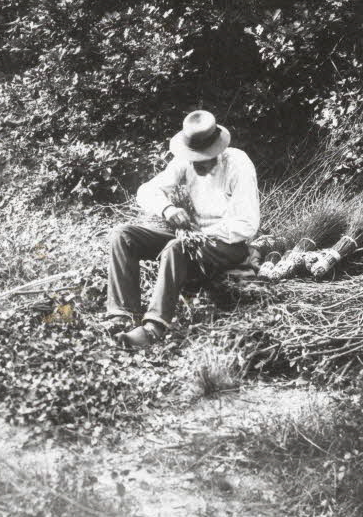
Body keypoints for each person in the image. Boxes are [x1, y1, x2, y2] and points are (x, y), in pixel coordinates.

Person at [106, 110, 260, 349]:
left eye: (203, 158)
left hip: (228, 243)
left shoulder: (238, 164)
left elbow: (247, 224)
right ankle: (122, 317)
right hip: (194, 237)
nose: (196, 163)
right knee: (123, 235)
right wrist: (168, 209)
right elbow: (146, 191)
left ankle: (153, 329)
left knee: (177, 246)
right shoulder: (186, 160)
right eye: (193, 158)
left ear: (217, 151)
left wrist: (202, 236)